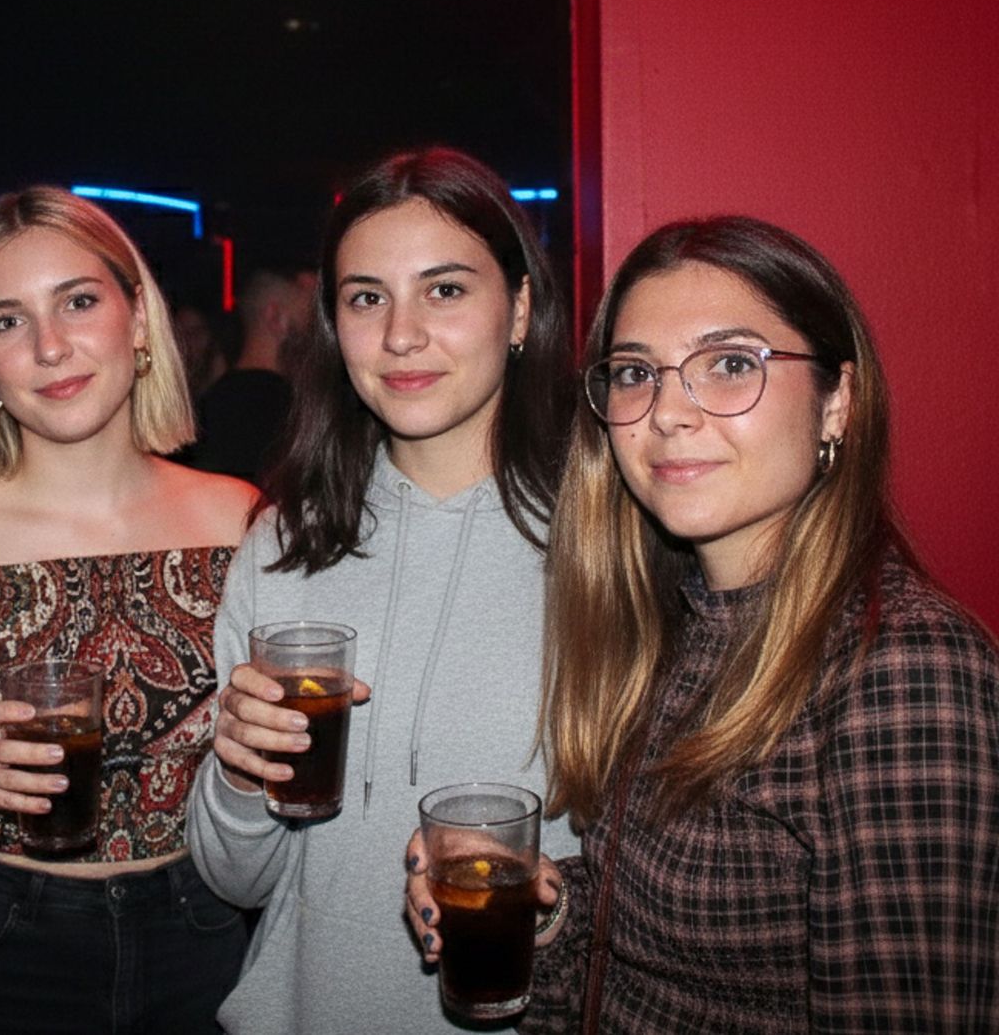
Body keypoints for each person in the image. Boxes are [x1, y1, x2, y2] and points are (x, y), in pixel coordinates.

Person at [414, 215, 998, 1031]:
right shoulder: (674, 625)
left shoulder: (901, 671)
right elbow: (664, 954)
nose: (669, 413)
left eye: (729, 365)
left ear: (838, 401)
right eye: (634, 373)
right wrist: (535, 908)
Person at [185, 146, 579, 1034]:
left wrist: (551, 904)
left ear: (518, 309)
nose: (401, 334)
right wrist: (243, 771)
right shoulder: (284, 543)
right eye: (368, 297)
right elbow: (235, 879)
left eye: (445, 290)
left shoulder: (608, 545)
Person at [0, 186, 258, 1034]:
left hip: (211, 929)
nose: (51, 347)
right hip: (1, 942)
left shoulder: (242, 522)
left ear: (140, 320)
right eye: (6, 322)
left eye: (79, 301)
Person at [186, 262, 316, 484]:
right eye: (310, 320)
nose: (321, 335)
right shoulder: (288, 415)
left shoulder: (204, 408)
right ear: (277, 319)